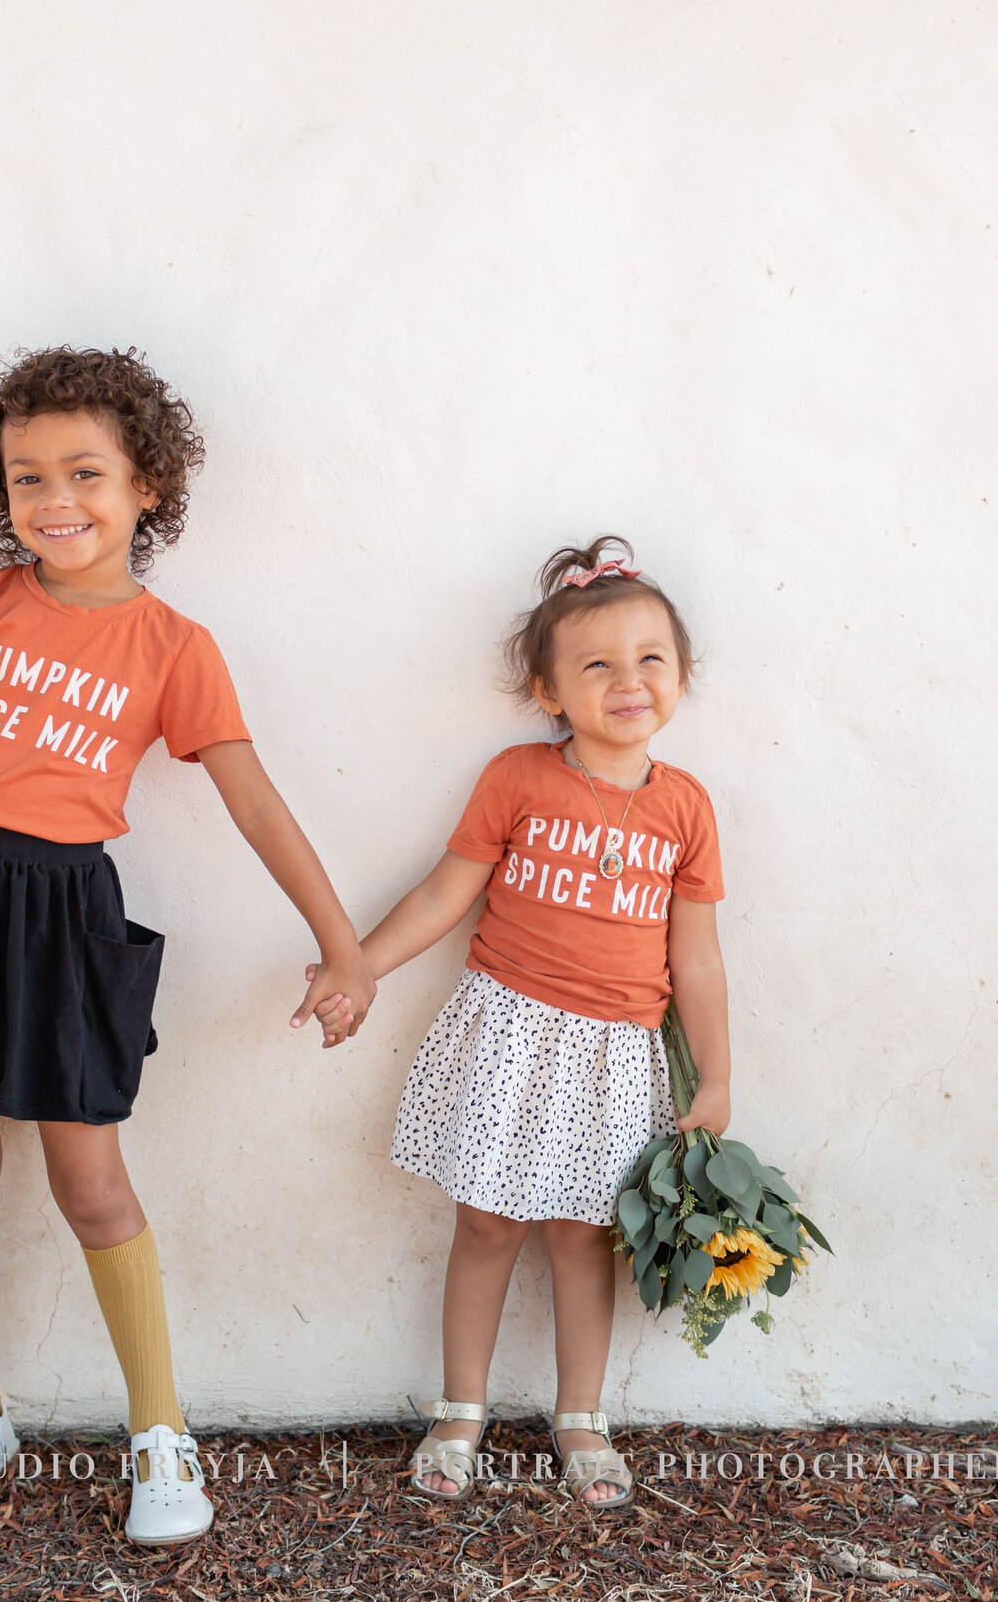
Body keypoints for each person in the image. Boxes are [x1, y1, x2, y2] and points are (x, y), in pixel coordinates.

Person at [0, 346, 372, 1540]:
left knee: (89, 1179)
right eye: (26, 476)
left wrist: (340, 943)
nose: (55, 501)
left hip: (60, 919)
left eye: (86, 473)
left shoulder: (174, 647)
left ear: (147, 484)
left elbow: (253, 800)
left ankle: (160, 1432)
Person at [343, 536, 729, 1509]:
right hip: (510, 1032)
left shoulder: (685, 809)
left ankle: (581, 1415)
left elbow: (697, 955)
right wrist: (360, 963)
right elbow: (443, 895)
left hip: (612, 1053)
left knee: (581, 1233)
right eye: (595, 663)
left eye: (650, 658)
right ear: (549, 689)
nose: (627, 680)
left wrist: (716, 1076)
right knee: (485, 1221)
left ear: (681, 674)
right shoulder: (517, 777)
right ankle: (460, 1407)